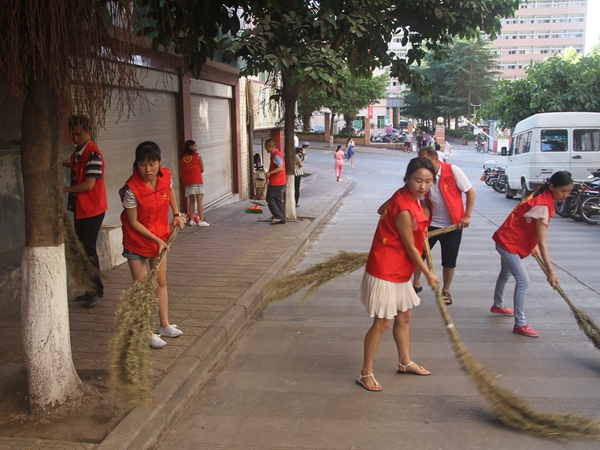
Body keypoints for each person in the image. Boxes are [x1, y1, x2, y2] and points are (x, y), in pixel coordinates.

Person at [357, 157, 440, 391]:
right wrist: (428, 274)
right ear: (406, 178)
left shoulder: (405, 195)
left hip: (399, 267)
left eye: (428, 181)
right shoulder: (404, 206)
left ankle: (404, 362)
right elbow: (412, 248)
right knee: (382, 322)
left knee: (404, 317)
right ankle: (365, 373)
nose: (423, 186)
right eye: (417, 180)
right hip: (387, 267)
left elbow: (381, 209)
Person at [120, 141, 187, 349]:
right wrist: (156, 240)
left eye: (152, 164)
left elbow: (170, 191)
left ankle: (164, 325)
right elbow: (133, 222)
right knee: (142, 288)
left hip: (159, 240)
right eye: (142, 165)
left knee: (160, 281)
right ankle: (146, 331)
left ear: (159, 162)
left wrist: (176, 214)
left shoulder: (165, 176)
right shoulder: (130, 190)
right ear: (136, 164)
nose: (147, 170)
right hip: (137, 242)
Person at [491, 171, 572, 338]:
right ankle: (520, 324)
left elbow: (527, 222)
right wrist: (551, 271)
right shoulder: (542, 204)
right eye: (563, 191)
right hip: (509, 242)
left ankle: (498, 305)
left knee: (505, 274)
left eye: (568, 191)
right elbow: (543, 243)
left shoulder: (542, 195)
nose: (565, 195)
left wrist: (532, 244)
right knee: (523, 280)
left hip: (506, 237)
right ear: (552, 187)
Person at [413, 146, 475, 305]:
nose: (423, 166)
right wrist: (424, 224)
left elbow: (470, 192)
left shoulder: (452, 170)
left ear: (436, 159)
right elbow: (424, 204)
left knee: (449, 260)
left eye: (426, 162)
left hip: (453, 225)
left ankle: (446, 290)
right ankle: (416, 283)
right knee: (420, 254)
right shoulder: (422, 176)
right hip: (432, 223)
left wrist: (467, 216)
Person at [62, 115, 107, 309]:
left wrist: (62, 190)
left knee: (87, 251)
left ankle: (95, 290)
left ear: (89, 132)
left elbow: (88, 185)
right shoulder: (79, 153)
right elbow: (77, 168)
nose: (75, 136)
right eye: (72, 132)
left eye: (79, 133)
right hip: (81, 209)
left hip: (92, 210)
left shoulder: (93, 155)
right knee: (83, 250)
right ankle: (90, 289)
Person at [180, 140, 209, 227]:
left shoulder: (182, 159)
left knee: (191, 201)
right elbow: (202, 169)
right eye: (195, 145)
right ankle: (201, 220)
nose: (196, 147)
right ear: (190, 147)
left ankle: (191, 220)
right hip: (197, 180)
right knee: (199, 201)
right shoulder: (198, 156)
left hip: (187, 181)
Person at [264, 139, 286, 225]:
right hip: (281, 181)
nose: (265, 149)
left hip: (276, 181)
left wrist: (270, 173)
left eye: (266, 147)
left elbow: (280, 168)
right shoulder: (276, 154)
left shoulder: (276, 155)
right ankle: (282, 217)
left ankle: (278, 216)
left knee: (269, 198)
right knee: (278, 200)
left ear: (269, 146)